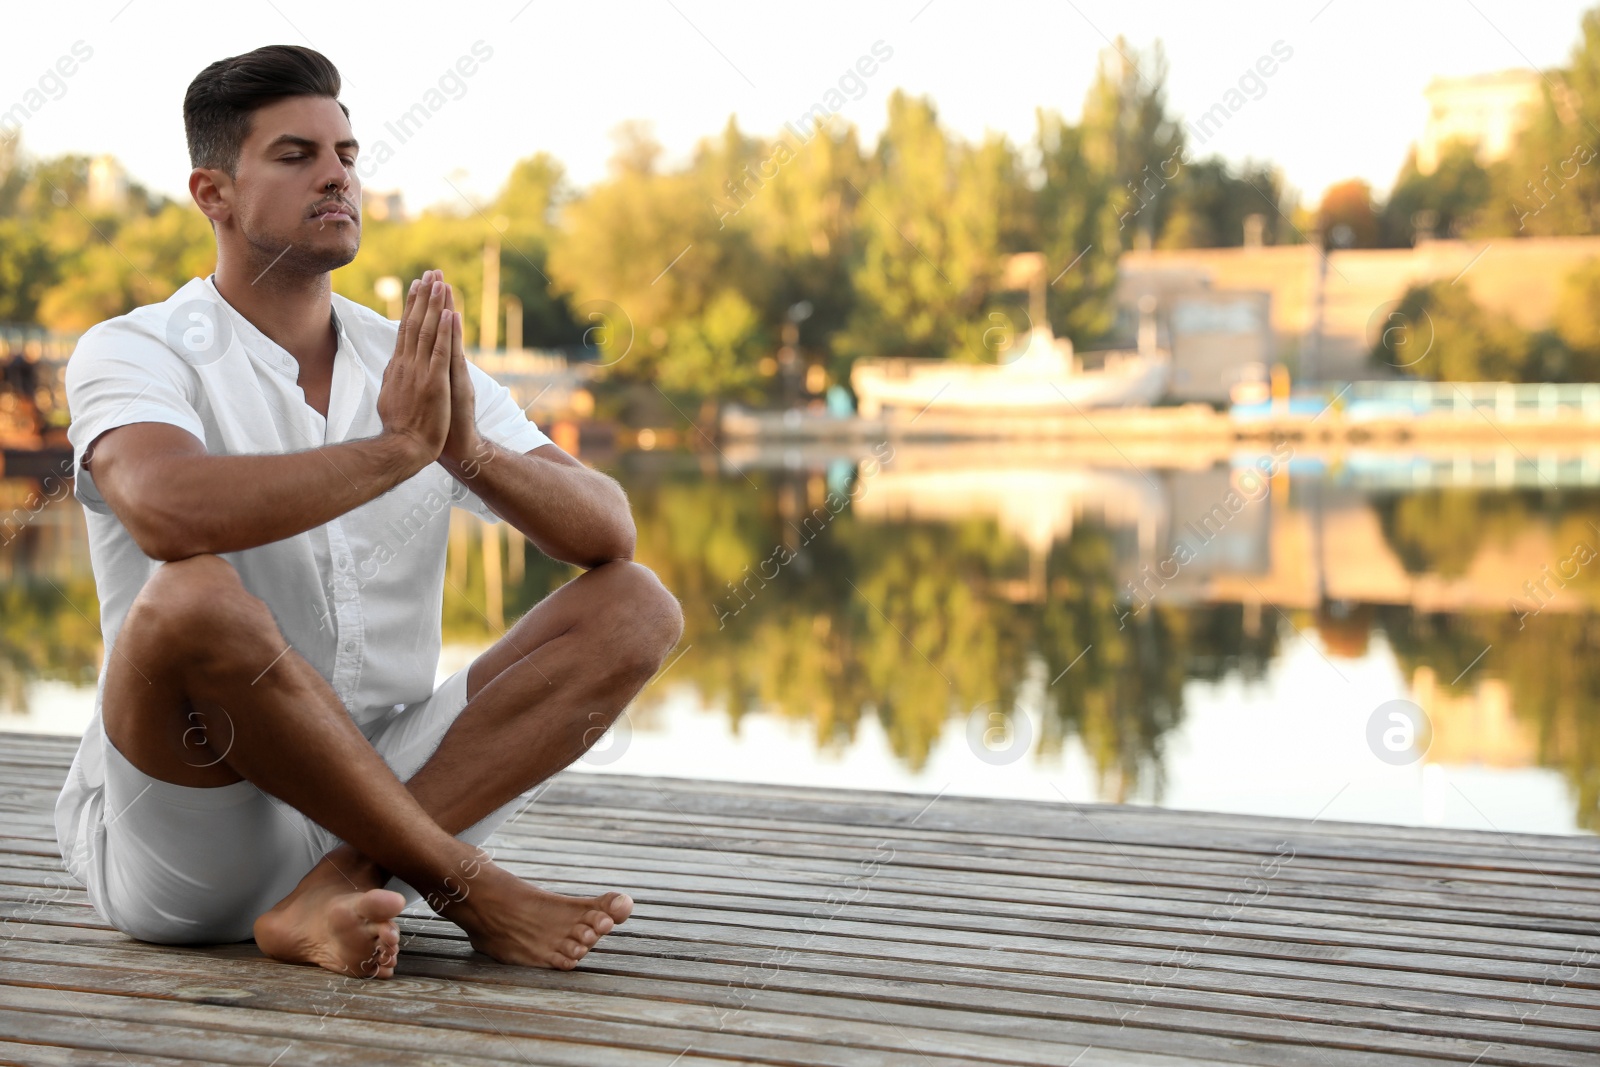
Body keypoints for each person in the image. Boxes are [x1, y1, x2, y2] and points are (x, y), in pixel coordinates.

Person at [52, 44, 684, 980]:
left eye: (346, 153)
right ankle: (466, 883)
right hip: (193, 836)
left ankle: (335, 886)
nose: (337, 174)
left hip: (391, 801)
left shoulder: (415, 360)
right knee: (189, 598)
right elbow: (166, 513)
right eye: (296, 155)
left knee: (641, 603)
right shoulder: (135, 349)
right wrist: (396, 452)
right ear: (213, 193)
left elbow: (606, 531)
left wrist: (466, 449)